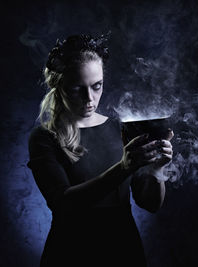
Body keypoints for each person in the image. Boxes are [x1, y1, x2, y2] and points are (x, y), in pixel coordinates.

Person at [27, 33, 173, 267]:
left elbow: (150, 204)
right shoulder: (44, 137)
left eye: (97, 86)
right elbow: (64, 205)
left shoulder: (119, 127)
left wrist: (156, 171)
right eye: (77, 89)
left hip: (124, 252)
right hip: (70, 254)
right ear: (59, 86)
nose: (90, 99)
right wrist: (124, 167)